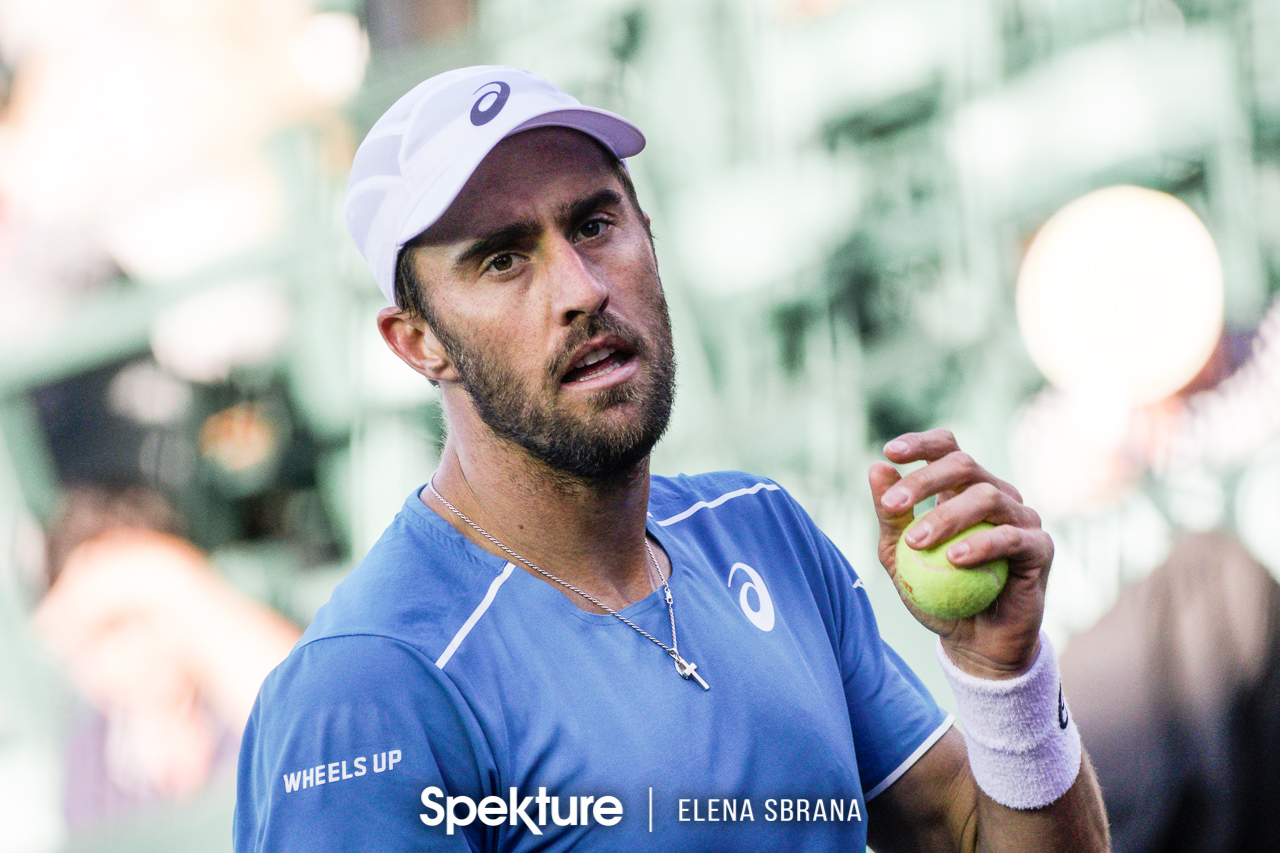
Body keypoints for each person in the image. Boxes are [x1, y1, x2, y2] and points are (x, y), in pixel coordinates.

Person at [234, 66, 1110, 852]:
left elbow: (967, 835)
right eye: (503, 259)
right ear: (418, 340)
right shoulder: (366, 689)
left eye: (595, 224)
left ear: (647, 234)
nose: (582, 289)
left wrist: (1003, 675)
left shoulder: (761, 531)